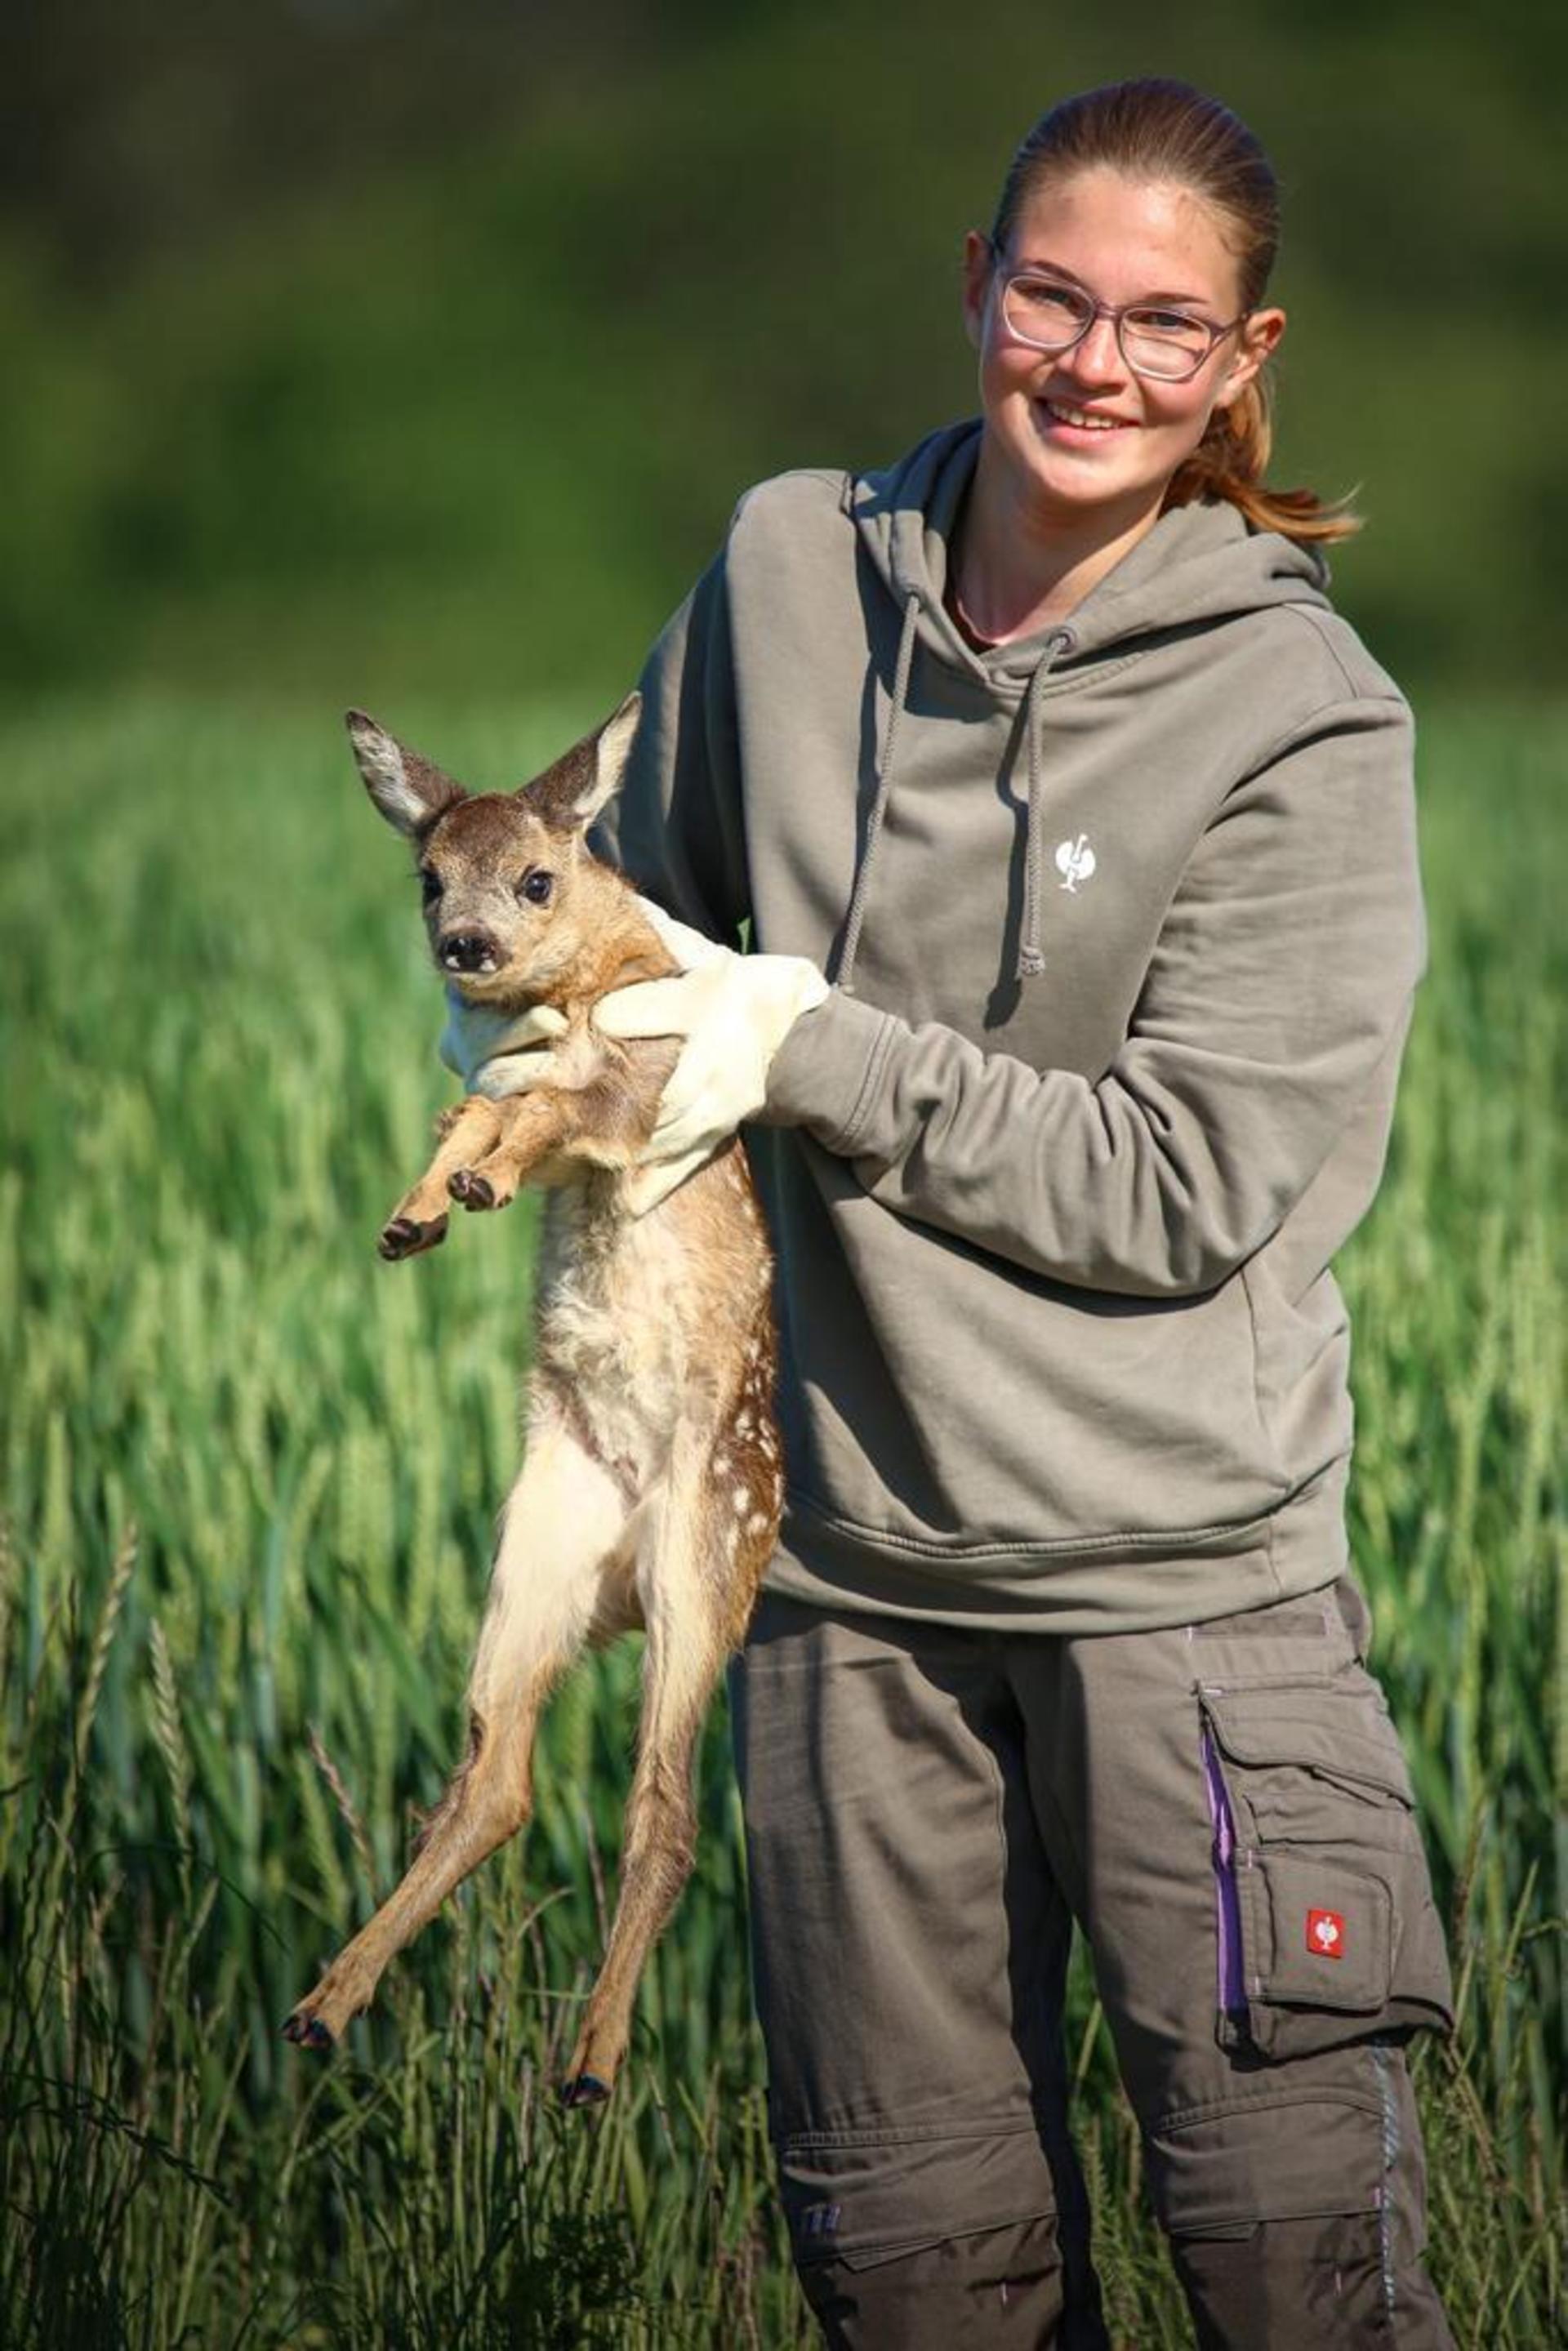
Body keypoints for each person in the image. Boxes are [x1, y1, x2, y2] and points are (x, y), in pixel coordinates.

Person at [451, 76, 1456, 2349]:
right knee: (914, 2286)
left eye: (1167, 328)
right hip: (839, 1600)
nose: (1099, 365)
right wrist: (540, 1030)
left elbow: (1184, 1185)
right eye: (1053, 295)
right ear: (975, 292)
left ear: (1242, 363)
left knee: (1291, 2273)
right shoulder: (792, 575)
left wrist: (811, 1048)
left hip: (1182, 1603)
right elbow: (645, 922)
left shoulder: (1302, 717)